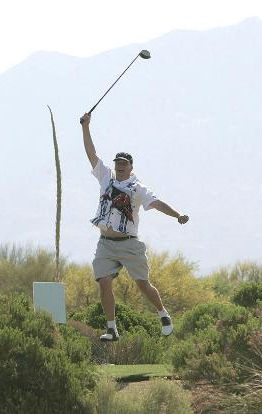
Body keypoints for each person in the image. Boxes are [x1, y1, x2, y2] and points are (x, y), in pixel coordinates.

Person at [80, 113, 189, 341]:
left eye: (123, 164)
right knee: (104, 282)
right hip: (105, 244)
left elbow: (157, 203)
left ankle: (163, 314)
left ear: (131, 166)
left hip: (129, 244)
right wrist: (86, 127)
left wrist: (177, 215)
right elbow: (91, 154)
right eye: (117, 163)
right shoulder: (105, 177)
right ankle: (112, 328)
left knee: (142, 284)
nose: (119, 167)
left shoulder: (138, 188)